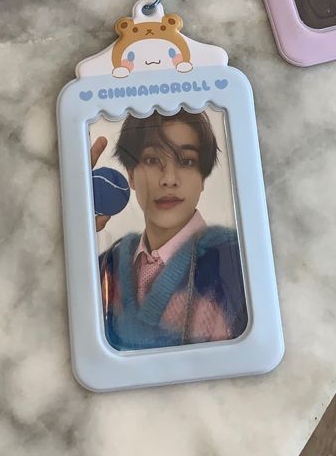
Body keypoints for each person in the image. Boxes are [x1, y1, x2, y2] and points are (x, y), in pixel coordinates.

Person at [93, 109, 247, 351]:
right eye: (153, 160)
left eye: (186, 161)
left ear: (203, 177)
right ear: (131, 175)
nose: (169, 179)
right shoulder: (106, 265)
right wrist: (71, 228)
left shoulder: (238, 261)